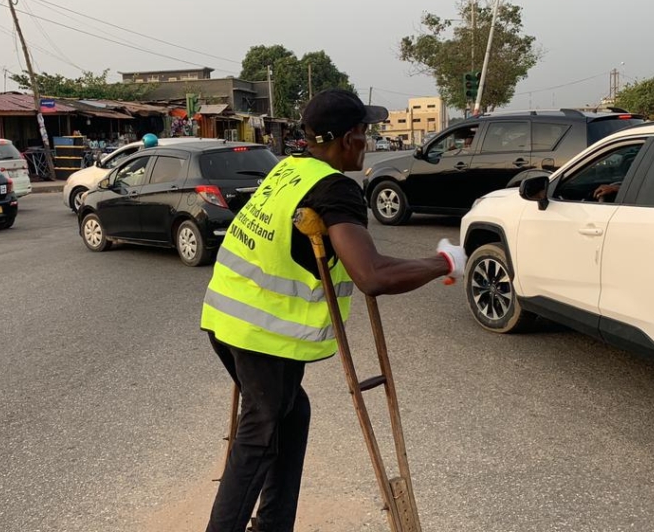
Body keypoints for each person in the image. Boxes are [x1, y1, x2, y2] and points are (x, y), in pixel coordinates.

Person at [200, 89, 467, 532]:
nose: (368, 140)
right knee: (260, 435)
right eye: (365, 132)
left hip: (226, 320)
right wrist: (443, 262)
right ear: (350, 138)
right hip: (262, 334)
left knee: (291, 413)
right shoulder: (335, 189)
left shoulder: (288, 169)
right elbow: (373, 274)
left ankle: (273, 524)